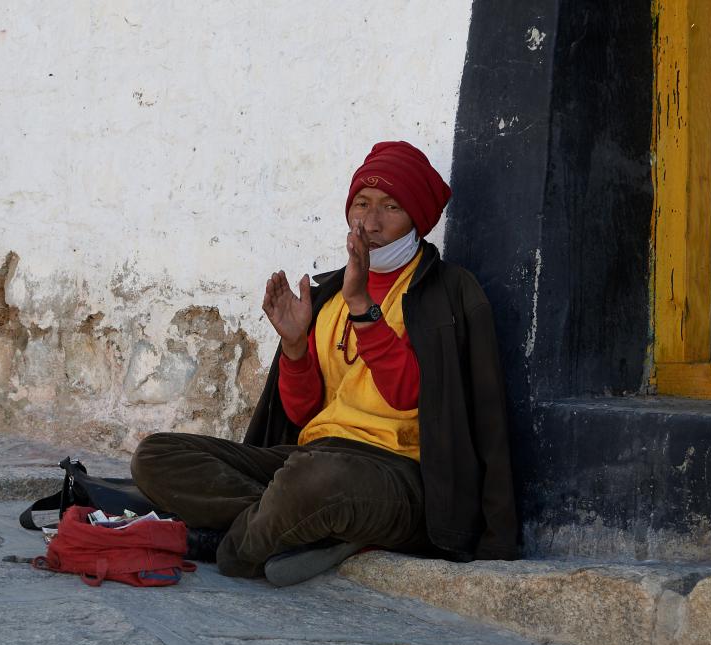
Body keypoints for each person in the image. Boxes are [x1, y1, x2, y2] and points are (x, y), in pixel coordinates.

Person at [131, 141, 517, 585]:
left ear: (418, 218)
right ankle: (304, 526)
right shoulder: (328, 295)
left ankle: (225, 546)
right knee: (157, 455)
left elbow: (412, 396)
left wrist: (363, 308)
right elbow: (302, 415)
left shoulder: (447, 293)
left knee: (314, 480)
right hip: (311, 456)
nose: (371, 223)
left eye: (391, 207)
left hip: (400, 474)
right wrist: (295, 347)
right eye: (362, 204)